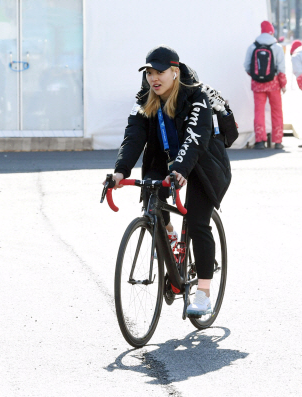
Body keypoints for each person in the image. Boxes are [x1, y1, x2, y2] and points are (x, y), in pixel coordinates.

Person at [112, 45, 231, 316]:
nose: (154, 78)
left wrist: (180, 169)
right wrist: (120, 171)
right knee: (150, 199)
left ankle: (203, 294)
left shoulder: (196, 95)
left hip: (203, 165)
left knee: (198, 220)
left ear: (174, 72)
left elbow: (195, 138)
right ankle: (168, 235)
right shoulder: (145, 98)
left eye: (160, 72)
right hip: (163, 161)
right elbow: (134, 136)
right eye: (150, 73)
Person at [244, 21, 287, 150]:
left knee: (259, 112)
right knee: (277, 111)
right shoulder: (277, 47)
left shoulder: (252, 47)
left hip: (258, 85)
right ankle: (278, 141)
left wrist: (255, 77)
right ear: (272, 31)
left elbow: (247, 66)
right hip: (274, 84)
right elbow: (281, 68)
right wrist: (283, 84)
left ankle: (260, 141)